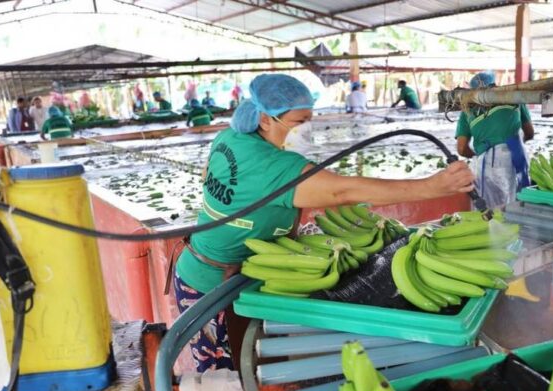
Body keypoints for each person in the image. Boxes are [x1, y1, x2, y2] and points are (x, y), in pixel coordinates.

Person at [172, 73, 473, 371]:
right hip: (212, 287)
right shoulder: (274, 165)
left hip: (205, 267)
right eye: (299, 122)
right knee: (226, 378)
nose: (307, 129)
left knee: (250, 361)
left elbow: (207, 175)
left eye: (309, 119)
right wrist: (430, 188)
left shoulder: (232, 137)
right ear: (266, 119)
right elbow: (342, 191)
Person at [455, 71, 534, 209]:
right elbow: (530, 133)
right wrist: (516, 145)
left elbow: (461, 149)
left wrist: (478, 155)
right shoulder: (513, 99)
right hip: (519, 156)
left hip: (490, 160)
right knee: (519, 202)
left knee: (491, 209)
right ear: (495, 84)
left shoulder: (468, 110)